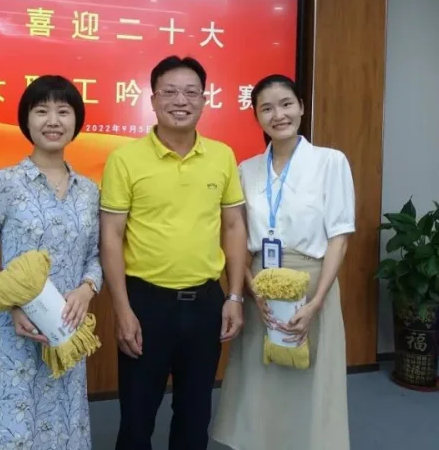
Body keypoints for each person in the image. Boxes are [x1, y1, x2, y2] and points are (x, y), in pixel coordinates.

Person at [99, 55, 248, 450]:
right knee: (136, 420)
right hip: (146, 304)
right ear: (152, 99)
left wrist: (234, 296)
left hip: (205, 303)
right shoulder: (124, 159)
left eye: (191, 92)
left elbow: (234, 227)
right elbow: (111, 236)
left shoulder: (222, 155)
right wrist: (122, 310)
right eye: (169, 92)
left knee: (195, 416)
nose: (180, 101)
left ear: (204, 100)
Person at [210, 74, 356, 450]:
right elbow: (235, 236)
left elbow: (339, 237)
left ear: (301, 107)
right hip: (260, 282)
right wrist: (249, 288)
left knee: (309, 373)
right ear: (256, 117)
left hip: (312, 281)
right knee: (260, 374)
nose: (279, 115)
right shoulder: (246, 170)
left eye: (286, 104)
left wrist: (317, 302)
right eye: (267, 108)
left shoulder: (330, 162)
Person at [0, 75, 103, 450]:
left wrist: (87, 290)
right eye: (41, 111)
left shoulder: (90, 191)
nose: (53, 121)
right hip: (16, 334)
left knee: (64, 430)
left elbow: (95, 255)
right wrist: (9, 305)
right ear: (26, 120)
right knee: (15, 431)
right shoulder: (2, 183)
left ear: (77, 120)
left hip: (67, 330)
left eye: (63, 111)